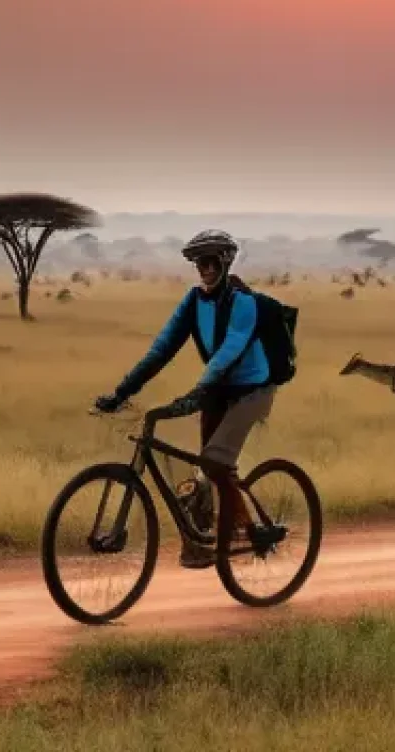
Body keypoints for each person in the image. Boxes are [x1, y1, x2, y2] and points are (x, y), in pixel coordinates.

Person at [93, 229, 275, 569]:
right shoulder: (193, 301)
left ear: (225, 261)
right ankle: (203, 537)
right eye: (198, 263)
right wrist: (122, 392)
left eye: (210, 261)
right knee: (207, 467)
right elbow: (160, 350)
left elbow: (228, 351)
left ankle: (252, 532)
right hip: (218, 389)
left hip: (253, 389)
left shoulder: (243, 302)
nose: (204, 269)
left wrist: (199, 389)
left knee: (216, 462)